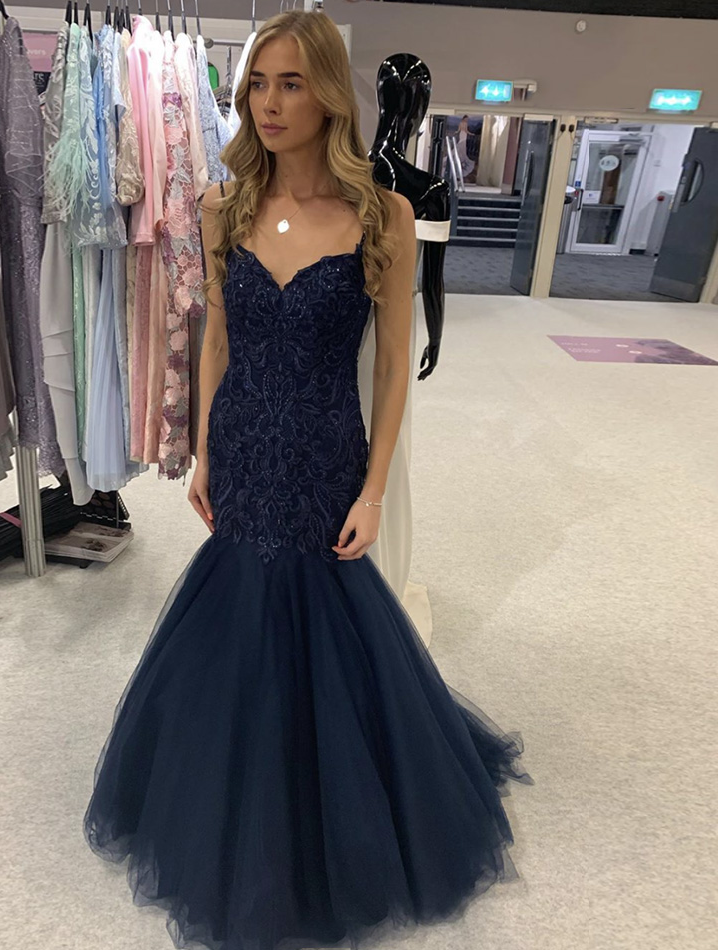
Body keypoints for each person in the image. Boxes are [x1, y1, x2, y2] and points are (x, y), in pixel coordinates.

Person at [83, 11, 533, 950]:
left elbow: (392, 365)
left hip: (328, 448)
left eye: (292, 82)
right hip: (245, 443)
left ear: (329, 94)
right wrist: (205, 451)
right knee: (240, 611)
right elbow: (218, 337)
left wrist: (373, 489)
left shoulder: (383, 214)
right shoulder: (223, 206)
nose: (270, 102)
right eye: (258, 83)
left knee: (331, 620)